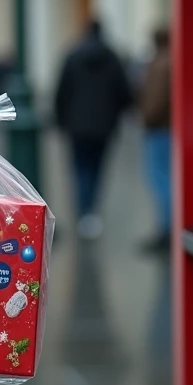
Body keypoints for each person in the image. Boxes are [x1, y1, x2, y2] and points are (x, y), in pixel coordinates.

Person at [54, 20, 133, 239]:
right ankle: (92, 214)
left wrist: (60, 120)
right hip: (104, 126)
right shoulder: (112, 58)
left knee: (80, 168)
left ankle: (83, 212)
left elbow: (62, 90)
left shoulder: (73, 56)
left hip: (76, 126)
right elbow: (124, 93)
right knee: (98, 168)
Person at [139, 27, 173, 254]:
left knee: (160, 178)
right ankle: (168, 227)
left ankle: (167, 228)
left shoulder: (160, 64)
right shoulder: (170, 61)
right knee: (164, 177)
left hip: (159, 128)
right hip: (165, 127)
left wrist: (146, 117)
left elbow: (155, 100)